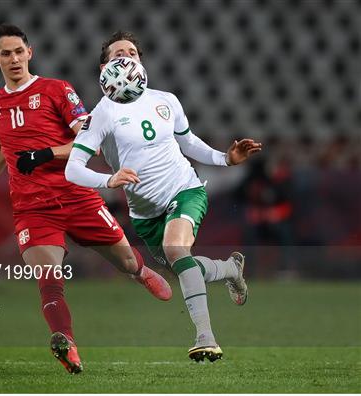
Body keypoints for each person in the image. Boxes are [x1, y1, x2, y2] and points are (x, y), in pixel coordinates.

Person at [0, 24, 172, 374]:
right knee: (49, 279)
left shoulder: (57, 90)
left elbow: (88, 139)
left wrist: (45, 154)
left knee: (125, 262)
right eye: (6, 53)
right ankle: (66, 343)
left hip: (77, 196)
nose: (14, 58)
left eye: (19, 51)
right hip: (33, 208)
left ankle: (140, 272)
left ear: (29, 53)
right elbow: (2, 145)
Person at [65, 31, 262, 362]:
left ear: (140, 61)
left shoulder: (166, 100)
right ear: (104, 67)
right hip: (145, 214)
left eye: (131, 52)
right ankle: (229, 270)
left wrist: (225, 158)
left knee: (175, 250)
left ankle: (205, 337)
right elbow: (73, 169)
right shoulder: (100, 115)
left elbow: (188, 143)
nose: (125, 57)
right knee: (183, 265)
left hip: (185, 189)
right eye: (117, 54)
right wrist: (109, 178)